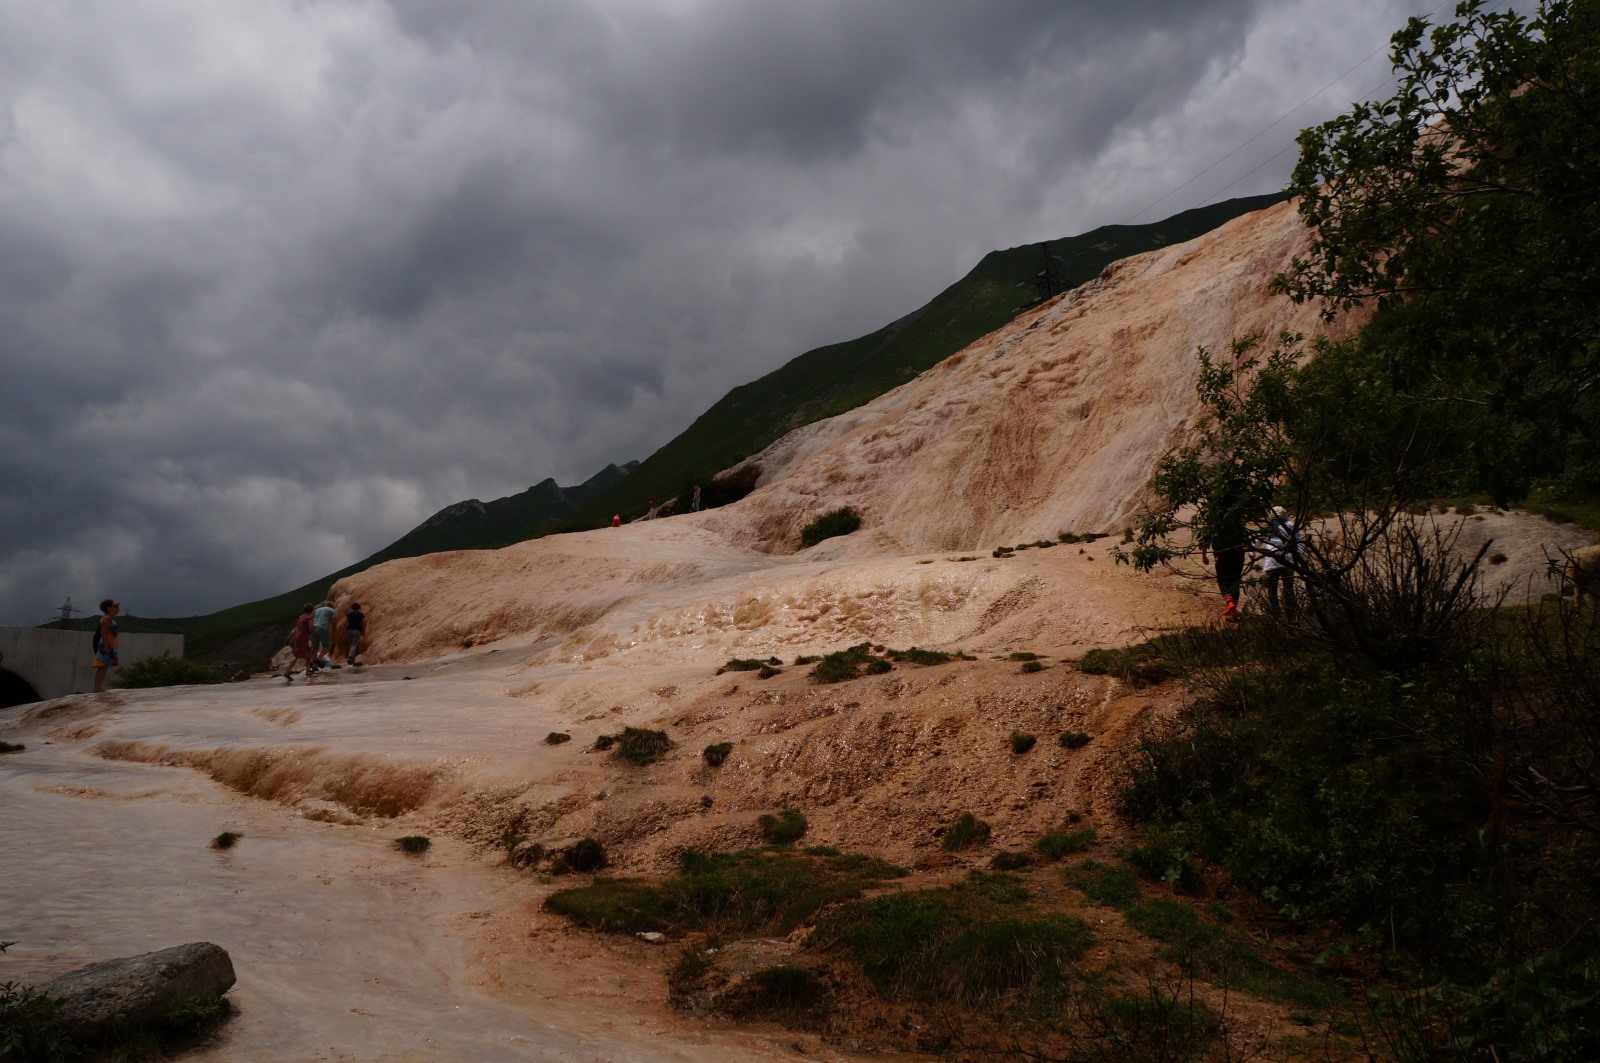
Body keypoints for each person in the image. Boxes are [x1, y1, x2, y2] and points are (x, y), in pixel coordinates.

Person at [1256, 506, 1301, 620]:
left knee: (1272, 589)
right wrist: (1300, 558)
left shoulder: (1268, 527)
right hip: (1289, 561)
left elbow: (1256, 543)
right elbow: (1299, 543)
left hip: (1273, 562)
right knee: (1289, 589)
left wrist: (1252, 554)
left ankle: (1276, 615)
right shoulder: (1291, 525)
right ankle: (1292, 615)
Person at [1199, 520, 1249, 620]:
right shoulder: (1237, 523)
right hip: (1238, 556)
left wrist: (1204, 556)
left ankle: (1230, 603)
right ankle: (1233, 610)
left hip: (1222, 557)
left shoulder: (1214, 524)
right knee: (1235, 582)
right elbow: (1246, 539)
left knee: (1223, 582)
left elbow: (1204, 541)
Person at [92, 598, 120, 693]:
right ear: (108, 608)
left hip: (109, 643)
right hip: (105, 643)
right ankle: (97, 688)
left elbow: (116, 612)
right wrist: (105, 645)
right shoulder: (106, 619)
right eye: (113, 606)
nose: (116, 607)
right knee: (102, 666)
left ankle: (98, 687)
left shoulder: (109, 617)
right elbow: (103, 632)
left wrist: (117, 606)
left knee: (105, 666)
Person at [285, 603, 317, 681]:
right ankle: (286, 672)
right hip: (303, 637)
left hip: (297, 636)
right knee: (297, 655)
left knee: (309, 653)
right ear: (312, 610)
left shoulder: (301, 616)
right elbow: (311, 629)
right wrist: (316, 630)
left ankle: (308, 670)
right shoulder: (309, 618)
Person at [311, 599, 337, 666]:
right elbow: (334, 623)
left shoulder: (317, 610)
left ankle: (314, 665)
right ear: (332, 606)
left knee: (315, 648)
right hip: (323, 628)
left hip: (313, 628)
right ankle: (319, 658)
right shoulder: (332, 611)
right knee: (327, 646)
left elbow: (312, 619)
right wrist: (334, 633)